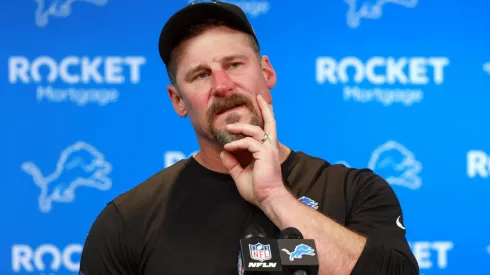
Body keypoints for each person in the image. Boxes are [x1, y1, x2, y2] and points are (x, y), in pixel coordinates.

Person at [79, 1, 420, 274]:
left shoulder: (354, 192)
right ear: (178, 100)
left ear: (267, 71)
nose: (223, 86)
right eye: (200, 75)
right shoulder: (128, 221)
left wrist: (274, 197)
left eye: (235, 64)